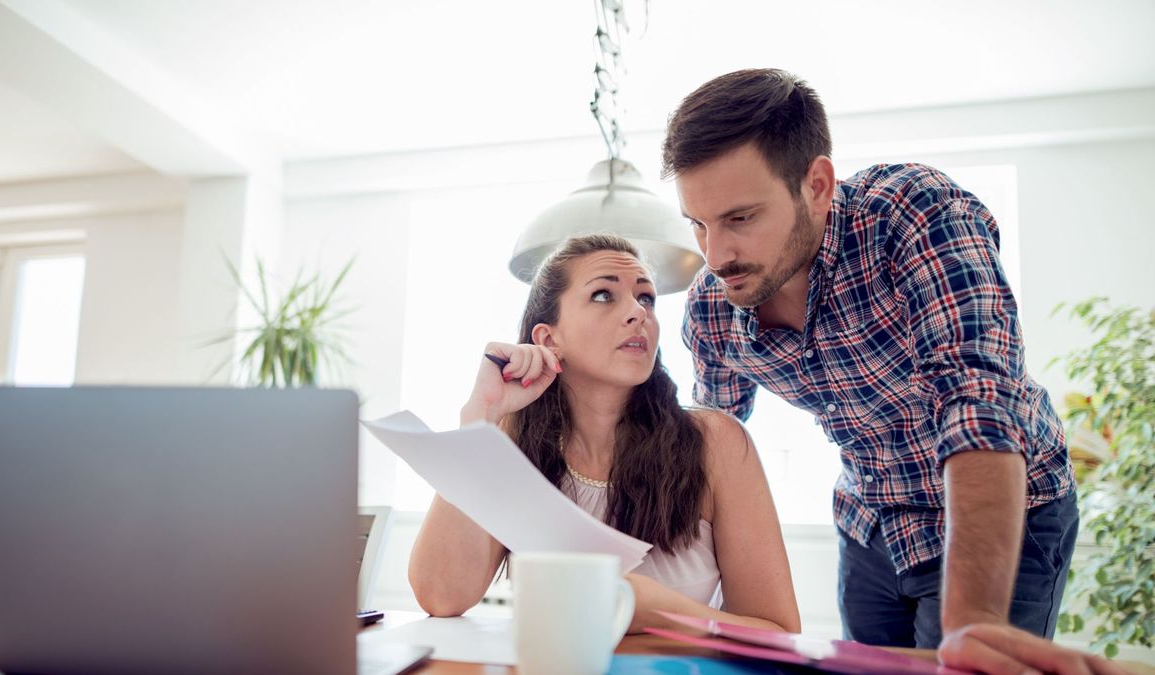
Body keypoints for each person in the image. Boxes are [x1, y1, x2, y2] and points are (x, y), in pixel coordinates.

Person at [667, 68, 1127, 674]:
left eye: (740, 218)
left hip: (1004, 508)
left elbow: (979, 395)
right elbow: (710, 445)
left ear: (817, 185)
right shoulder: (712, 307)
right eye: (698, 224)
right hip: (871, 519)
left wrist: (973, 623)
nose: (715, 255)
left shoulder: (912, 214)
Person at [408, 234, 800, 634]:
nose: (637, 313)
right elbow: (441, 597)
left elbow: (779, 633)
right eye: (602, 295)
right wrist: (480, 420)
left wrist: (658, 610)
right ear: (548, 339)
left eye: (646, 298)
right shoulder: (510, 443)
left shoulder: (716, 443)